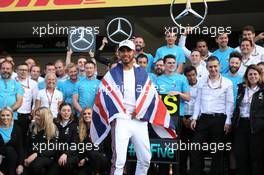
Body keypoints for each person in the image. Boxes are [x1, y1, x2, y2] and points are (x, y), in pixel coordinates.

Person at [90, 40, 176, 175]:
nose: (125, 54)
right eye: (122, 51)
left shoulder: (142, 72)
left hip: (139, 119)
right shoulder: (112, 73)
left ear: (134, 52)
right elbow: (103, 94)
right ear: (118, 53)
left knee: (146, 158)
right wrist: (116, 111)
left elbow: (151, 95)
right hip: (121, 120)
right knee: (119, 161)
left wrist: (140, 110)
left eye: (128, 50)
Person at [190, 56, 234, 175]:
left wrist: (228, 121)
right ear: (207, 67)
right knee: (195, 147)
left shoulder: (227, 82)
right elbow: (198, 100)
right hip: (203, 119)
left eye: (215, 66)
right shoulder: (202, 81)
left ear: (219, 66)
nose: (213, 69)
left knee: (217, 151)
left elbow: (230, 103)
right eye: (210, 67)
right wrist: (194, 118)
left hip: (220, 120)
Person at [232, 65, 264, 175]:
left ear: (260, 76)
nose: (253, 76)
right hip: (241, 125)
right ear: (246, 76)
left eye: (255, 74)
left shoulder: (262, 90)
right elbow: (236, 106)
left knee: (256, 156)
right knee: (240, 154)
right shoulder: (241, 88)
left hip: (257, 127)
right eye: (250, 74)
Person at [24, 107, 58, 175]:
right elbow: (27, 145)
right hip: (31, 156)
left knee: (36, 165)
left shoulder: (53, 128)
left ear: (45, 117)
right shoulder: (32, 126)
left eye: (39, 115)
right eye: (36, 115)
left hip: (46, 156)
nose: (36, 117)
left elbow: (53, 150)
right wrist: (24, 159)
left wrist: (37, 154)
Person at [78, 107, 110, 175]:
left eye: (89, 113)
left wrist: (86, 159)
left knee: (94, 154)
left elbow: (98, 149)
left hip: (100, 159)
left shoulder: (99, 129)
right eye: (85, 114)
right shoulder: (82, 131)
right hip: (88, 161)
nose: (87, 115)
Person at [48, 103, 79, 175]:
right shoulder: (54, 123)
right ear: (59, 111)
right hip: (58, 154)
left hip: (71, 155)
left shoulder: (75, 124)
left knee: (66, 164)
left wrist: (66, 154)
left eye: (68, 110)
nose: (66, 113)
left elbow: (75, 143)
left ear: (71, 112)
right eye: (64, 110)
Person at [180, 65, 198, 175]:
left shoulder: (201, 86)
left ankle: (194, 171)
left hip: (195, 119)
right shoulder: (182, 85)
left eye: (193, 75)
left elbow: (201, 104)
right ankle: (182, 171)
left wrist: (192, 119)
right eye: (188, 76)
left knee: (194, 148)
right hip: (182, 118)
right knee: (182, 148)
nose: (191, 77)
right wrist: (183, 119)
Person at [15, 63, 38, 147]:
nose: (23, 72)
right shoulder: (12, 81)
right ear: (16, 71)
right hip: (12, 113)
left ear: (28, 72)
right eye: (21, 70)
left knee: (24, 137)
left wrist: (33, 114)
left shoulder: (33, 84)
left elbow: (36, 100)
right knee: (13, 137)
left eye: (25, 70)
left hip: (25, 115)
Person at [0, 107, 24, 175]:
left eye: (8, 115)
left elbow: (20, 148)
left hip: (13, 160)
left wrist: (20, 165)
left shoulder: (17, 128)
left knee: (9, 150)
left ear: (12, 116)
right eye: (2, 115)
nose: (5, 117)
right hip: (1, 160)